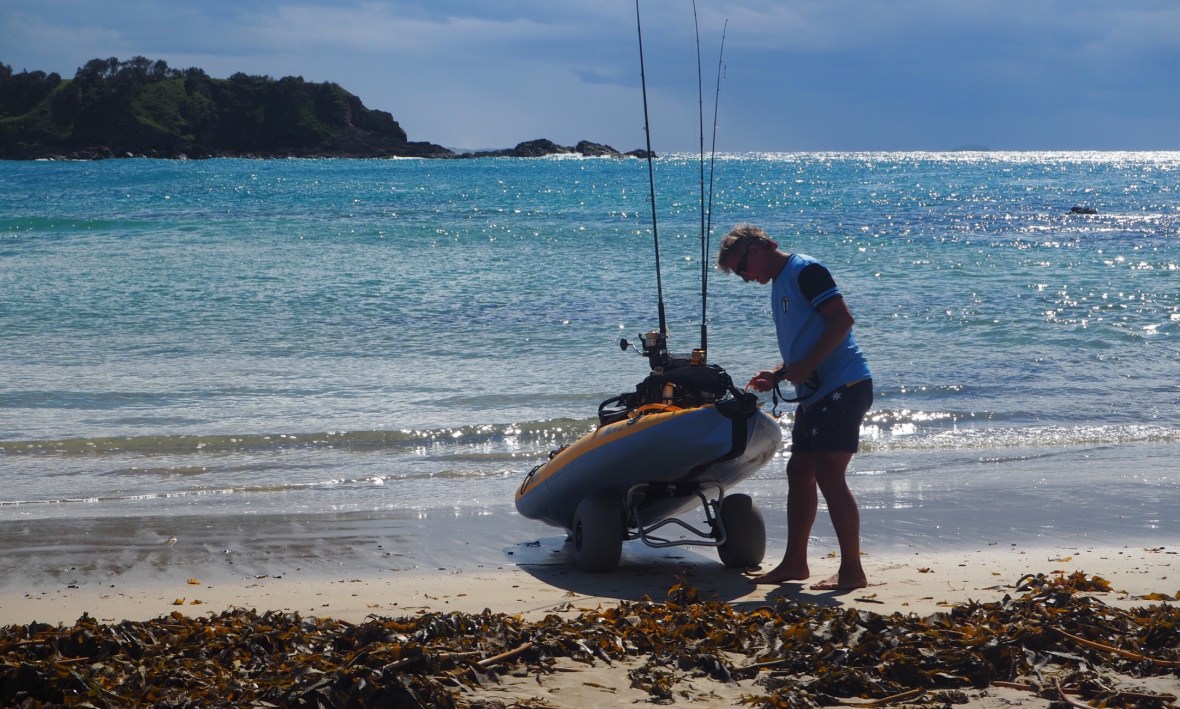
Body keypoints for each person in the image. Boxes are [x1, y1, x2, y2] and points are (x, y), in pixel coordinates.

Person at [717, 224, 873, 590]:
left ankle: (852, 570)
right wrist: (779, 371)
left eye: (741, 269)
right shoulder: (780, 284)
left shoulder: (805, 270)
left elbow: (842, 321)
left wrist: (804, 367)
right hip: (816, 393)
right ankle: (794, 563)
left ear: (755, 249)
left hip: (844, 386)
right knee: (799, 469)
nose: (744, 279)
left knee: (829, 474)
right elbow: (806, 340)